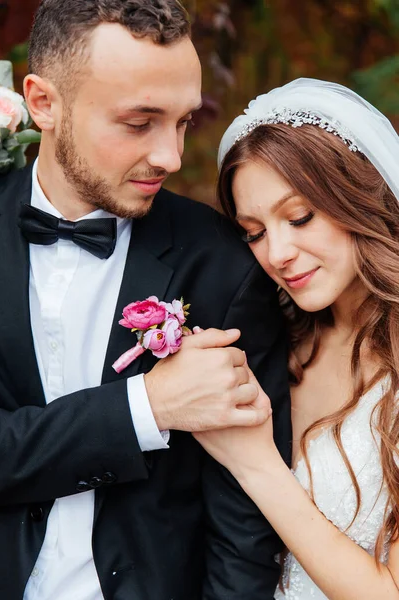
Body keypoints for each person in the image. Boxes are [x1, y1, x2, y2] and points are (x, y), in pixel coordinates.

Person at [0, 1, 292, 599]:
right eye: (140, 123)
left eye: (183, 122)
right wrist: (144, 409)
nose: (171, 157)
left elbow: (246, 525)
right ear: (43, 102)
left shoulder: (223, 267)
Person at [194, 78, 399, 599]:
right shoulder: (277, 345)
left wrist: (256, 464)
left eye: (299, 217)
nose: (277, 253)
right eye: (255, 232)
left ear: (359, 197)